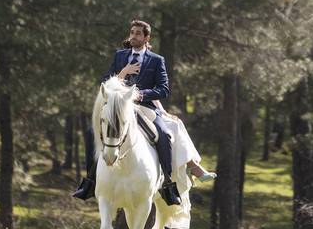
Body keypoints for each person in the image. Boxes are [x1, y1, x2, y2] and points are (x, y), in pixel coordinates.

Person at [72, 19, 215, 205]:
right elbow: (105, 81)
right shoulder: (120, 56)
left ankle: (168, 186)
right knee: (92, 132)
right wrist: (122, 73)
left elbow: (163, 89)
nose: (133, 36)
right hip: (119, 107)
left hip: (144, 107)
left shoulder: (157, 60)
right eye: (132, 32)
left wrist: (140, 94)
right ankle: (90, 182)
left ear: (146, 37)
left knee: (163, 134)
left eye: (138, 33)